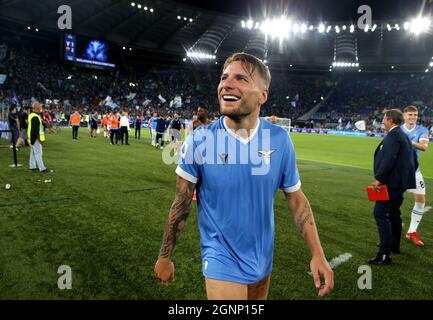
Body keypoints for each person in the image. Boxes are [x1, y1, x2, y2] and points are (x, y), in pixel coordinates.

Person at [154, 52, 334, 299]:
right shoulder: (200, 140)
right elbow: (181, 202)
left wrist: (318, 253)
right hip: (220, 259)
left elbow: (296, 198)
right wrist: (165, 256)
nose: (227, 84)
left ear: (262, 95)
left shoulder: (279, 139)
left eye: (240, 78)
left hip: (262, 260)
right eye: (224, 77)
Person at [369, 109, 417, 265]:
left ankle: (384, 253)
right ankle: (394, 245)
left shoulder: (394, 135)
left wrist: (379, 179)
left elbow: (389, 158)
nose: (382, 121)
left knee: (380, 213)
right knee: (394, 213)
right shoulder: (403, 135)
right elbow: (414, 161)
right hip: (400, 183)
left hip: (391, 184)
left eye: (384, 119)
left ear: (390, 120)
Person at [401, 106, 429, 246]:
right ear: (404, 116)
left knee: (420, 200)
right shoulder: (398, 130)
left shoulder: (422, 130)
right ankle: (393, 226)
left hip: (414, 171)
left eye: (415, 115)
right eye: (410, 114)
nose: (413, 117)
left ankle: (412, 231)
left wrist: (407, 141)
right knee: (391, 201)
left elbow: (424, 147)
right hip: (398, 172)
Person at [28, 101, 47, 172]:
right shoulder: (35, 117)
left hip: (32, 137)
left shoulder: (32, 115)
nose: (41, 107)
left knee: (33, 152)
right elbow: (35, 130)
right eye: (40, 106)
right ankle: (42, 168)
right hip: (35, 138)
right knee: (38, 153)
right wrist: (39, 139)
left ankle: (32, 166)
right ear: (36, 107)